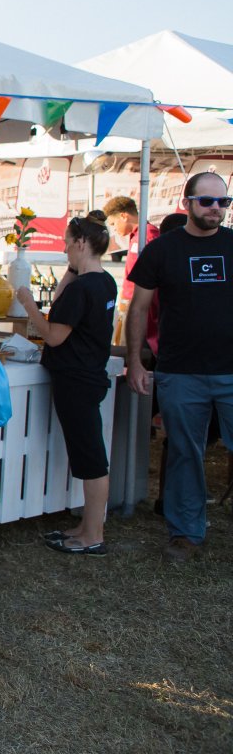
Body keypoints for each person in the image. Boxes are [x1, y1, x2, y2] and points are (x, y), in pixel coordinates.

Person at [126, 171, 233, 563]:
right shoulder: (161, 250)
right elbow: (138, 308)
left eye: (223, 202)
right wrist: (135, 361)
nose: (216, 208)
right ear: (187, 203)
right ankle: (186, 534)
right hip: (180, 372)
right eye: (207, 201)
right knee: (185, 453)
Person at [16, 213, 117, 556]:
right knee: (89, 455)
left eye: (67, 243)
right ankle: (88, 527)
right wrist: (73, 268)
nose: (63, 249)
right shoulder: (104, 282)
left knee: (91, 459)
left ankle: (93, 535)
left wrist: (29, 305)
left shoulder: (83, 289)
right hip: (89, 375)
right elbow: (64, 302)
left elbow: (54, 335)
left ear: (81, 243)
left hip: (76, 379)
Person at [102, 194, 157, 300]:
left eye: (113, 224)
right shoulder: (137, 236)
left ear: (123, 216)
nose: (114, 229)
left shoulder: (147, 236)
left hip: (141, 304)